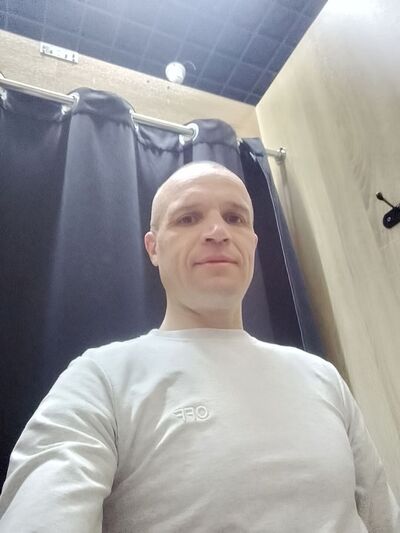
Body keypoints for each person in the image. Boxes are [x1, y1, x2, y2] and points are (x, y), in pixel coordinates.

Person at [0, 161, 398, 532]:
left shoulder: (322, 376)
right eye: (188, 218)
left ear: (253, 242)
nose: (218, 232)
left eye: (235, 218)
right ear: (153, 248)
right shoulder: (100, 378)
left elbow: (383, 518)